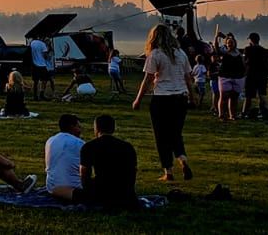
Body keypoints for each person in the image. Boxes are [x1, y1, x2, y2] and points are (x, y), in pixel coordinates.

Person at [132, 23, 194, 182]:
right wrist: (192, 97)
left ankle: (168, 171)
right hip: (180, 97)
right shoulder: (181, 53)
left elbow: (148, 79)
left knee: (161, 135)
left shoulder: (155, 54)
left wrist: (138, 99)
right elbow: (188, 77)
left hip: (162, 98)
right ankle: (183, 159)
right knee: (175, 133)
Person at [79, 114, 138, 210]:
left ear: (96, 129)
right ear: (113, 128)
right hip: (125, 193)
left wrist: (88, 193)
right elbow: (133, 172)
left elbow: (84, 174)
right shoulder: (127, 147)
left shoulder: (89, 147)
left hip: (101, 192)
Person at [44, 114, 84, 202]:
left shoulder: (50, 140)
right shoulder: (79, 143)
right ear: (72, 127)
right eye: (79, 127)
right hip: (73, 188)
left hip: (51, 186)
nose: (80, 130)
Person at [243, 32, 268, 121]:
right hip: (262, 75)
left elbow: (246, 61)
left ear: (251, 40)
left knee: (248, 96)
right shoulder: (264, 50)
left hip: (251, 75)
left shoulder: (248, 49)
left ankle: (244, 112)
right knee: (261, 95)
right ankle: (262, 112)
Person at [29, 34, 53, 101]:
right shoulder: (42, 44)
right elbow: (45, 56)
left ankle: (35, 96)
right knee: (44, 80)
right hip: (42, 65)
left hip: (34, 64)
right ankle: (41, 94)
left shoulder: (32, 43)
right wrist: (48, 52)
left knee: (35, 82)